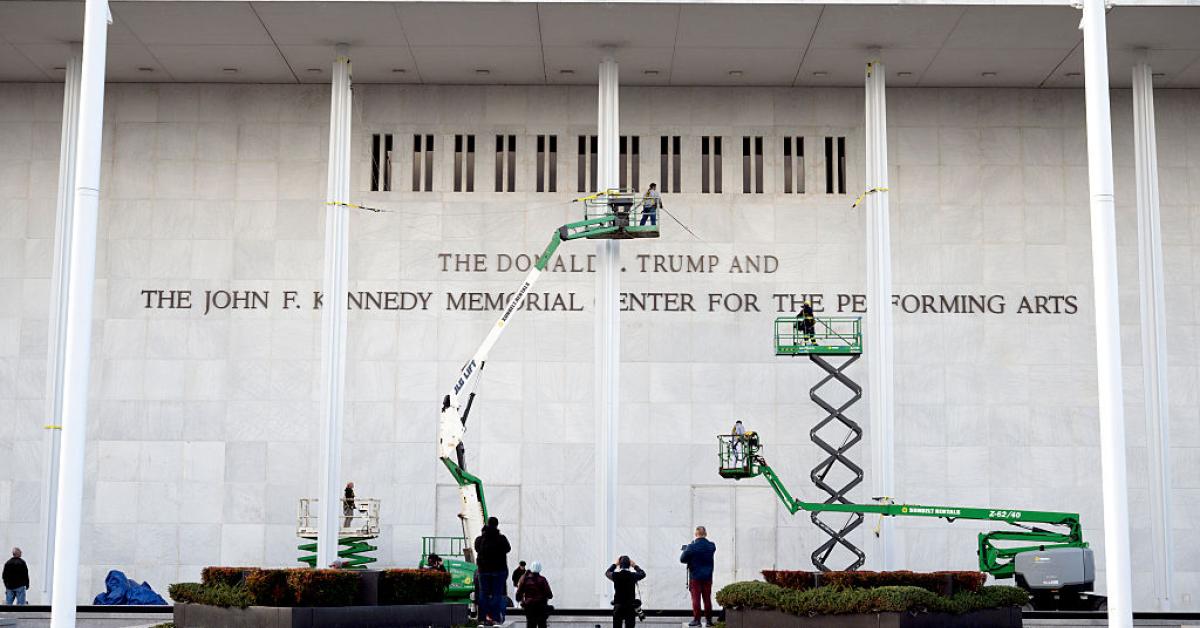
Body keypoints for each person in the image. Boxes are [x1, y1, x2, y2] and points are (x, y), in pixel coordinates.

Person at [474, 516, 512, 626]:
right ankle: (495, 619)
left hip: (483, 570)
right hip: (499, 570)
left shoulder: (480, 539)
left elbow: (476, 549)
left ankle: (482, 619)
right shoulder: (501, 538)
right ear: (497, 525)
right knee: (497, 594)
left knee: (483, 593)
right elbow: (508, 549)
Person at [681, 527, 717, 627]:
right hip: (708, 576)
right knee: (707, 599)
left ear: (696, 534)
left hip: (695, 577)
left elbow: (682, 559)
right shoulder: (711, 545)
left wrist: (688, 548)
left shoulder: (692, 546)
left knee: (696, 599)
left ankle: (697, 620)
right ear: (705, 534)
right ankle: (709, 621)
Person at [605, 556, 645, 628]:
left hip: (618, 606)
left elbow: (607, 573)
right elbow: (643, 574)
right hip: (630, 606)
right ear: (629, 565)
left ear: (620, 565)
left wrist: (615, 564)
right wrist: (635, 566)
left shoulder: (615, 575)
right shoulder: (633, 575)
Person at [515, 561, 553, 628]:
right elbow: (549, 595)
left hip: (529, 606)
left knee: (530, 624)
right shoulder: (542, 580)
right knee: (542, 624)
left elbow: (518, 594)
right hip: (541, 606)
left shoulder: (524, 579)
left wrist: (521, 601)